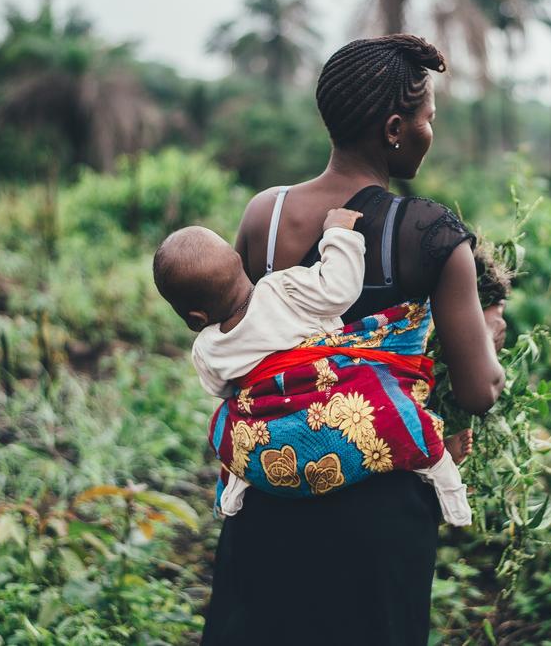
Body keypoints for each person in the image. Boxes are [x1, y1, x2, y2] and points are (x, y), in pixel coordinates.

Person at [201, 34, 506, 646]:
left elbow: (238, 336)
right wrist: (490, 334)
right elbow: (479, 392)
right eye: (428, 119)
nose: (429, 132)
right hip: (378, 513)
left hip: (272, 491)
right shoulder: (431, 234)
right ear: (395, 127)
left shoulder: (267, 215)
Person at [151, 208, 474, 524]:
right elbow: (339, 290)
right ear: (239, 264)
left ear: (195, 319)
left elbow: (223, 390)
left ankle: (236, 484)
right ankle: (445, 479)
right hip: (331, 400)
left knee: (226, 425)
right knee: (393, 410)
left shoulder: (207, 347)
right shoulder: (282, 288)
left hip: (272, 435)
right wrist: (338, 233)